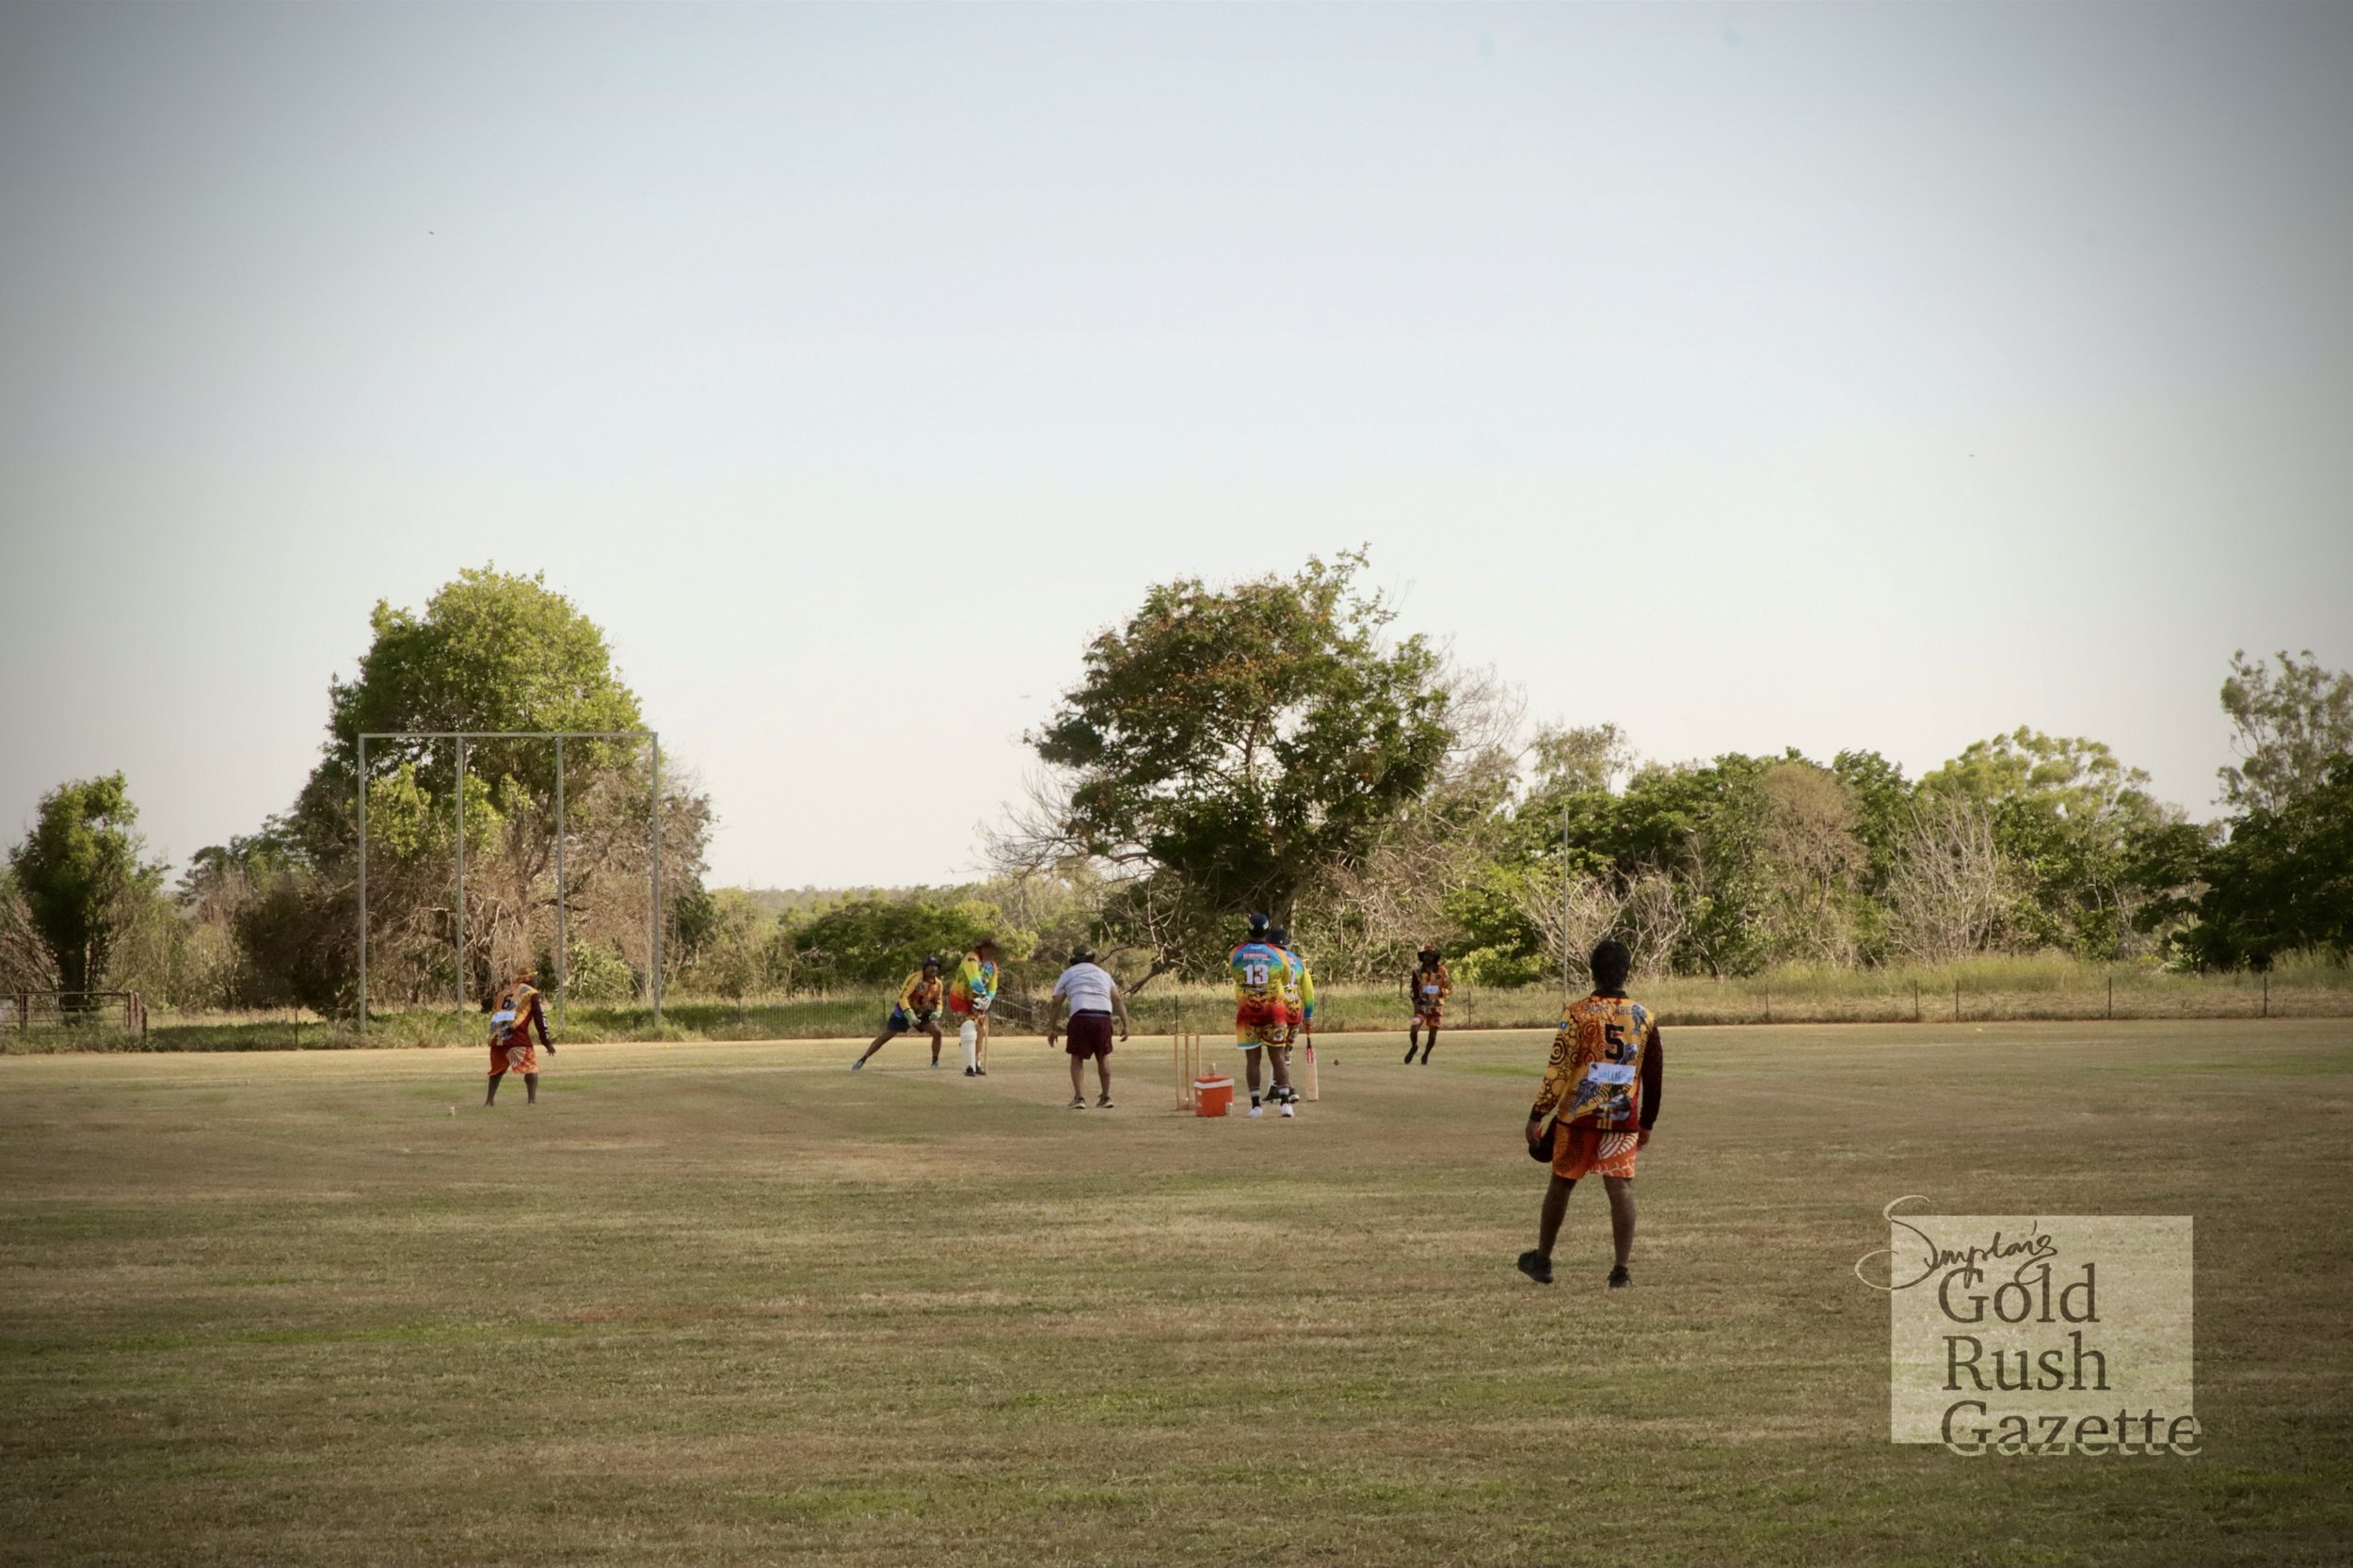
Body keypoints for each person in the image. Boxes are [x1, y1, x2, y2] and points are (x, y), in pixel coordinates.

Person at [1516, 938, 1663, 1288]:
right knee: (1620, 1189)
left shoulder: (1577, 1013)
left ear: (1592, 972)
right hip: (1622, 1117)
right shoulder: (1644, 1017)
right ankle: (1621, 1270)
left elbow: (1559, 1069)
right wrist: (1647, 1122)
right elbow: (1654, 1074)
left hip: (1578, 1116)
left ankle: (1543, 1259)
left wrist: (1538, 1113)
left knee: (1561, 1184)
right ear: (1626, 972)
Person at [1044, 944, 1129, 1109]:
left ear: (1073, 960)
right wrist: (1126, 1025)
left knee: (1077, 1057)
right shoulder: (1103, 974)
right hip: (1103, 1016)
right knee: (1102, 1055)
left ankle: (1079, 1098)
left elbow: (1056, 1002)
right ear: (1092, 958)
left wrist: (1052, 1027)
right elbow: (1117, 999)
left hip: (1081, 1015)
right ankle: (1106, 1097)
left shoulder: (1068, 973)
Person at [1227, 914, 1294, 1118]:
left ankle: (1256, 1106)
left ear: (1249, 930)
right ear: (1267, 932)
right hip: (1274, 1012)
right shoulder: (1277, 954)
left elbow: (1235, 975)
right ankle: (1285, 1103)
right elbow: (1284, 978)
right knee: (1278, 1057)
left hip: (1248, 1012)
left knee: (1252, 1059)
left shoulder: (1236, 953)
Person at [853, 955, 947, 1070]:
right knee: (886, 1036)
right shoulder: (914, 978)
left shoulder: (938, 984)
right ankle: (862, 1059)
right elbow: (903, 997)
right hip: (904, 1011)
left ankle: (935, 1062)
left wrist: (938, 1011)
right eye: (931, 966)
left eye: (936, 966)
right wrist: (909, 1013)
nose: (933, 969)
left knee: (937, 1032)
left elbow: (938, 1001)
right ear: (925, 967)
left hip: (921, 1012)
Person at [484, 968, 554, 1107]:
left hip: (497, 1037)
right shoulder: (531, 993)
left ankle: (489, 1101)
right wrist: (546, 1042)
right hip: (517, 1037)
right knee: (531, 1068)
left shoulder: (503, 993)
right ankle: (531, 1101)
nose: (536, 980)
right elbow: (540, 1018)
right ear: (528, 978)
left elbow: (494, 1014)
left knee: (497, 1071)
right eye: (534, 977)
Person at [1267, 927, 1312, 1118]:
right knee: (1286, 1051)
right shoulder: (1298, 961)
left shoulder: (1271, 959)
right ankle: (1275, 1088)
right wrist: (1308, 1014)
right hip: (1296, 1010)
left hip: (1278, 1010)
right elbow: (1308, 989)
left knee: (1275, 1051)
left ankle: (1287, 1089)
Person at [947, 937, 1001, 1076]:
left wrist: (989, 998)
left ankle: (976, 1062)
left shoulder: (992, 967)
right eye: (989, 949)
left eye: (993, 951)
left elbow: (993, 986)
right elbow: (974, 979)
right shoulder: (971, 958)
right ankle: (968, 1066)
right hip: (959, 997)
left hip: (977, 1000)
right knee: (968, 1027)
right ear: (982, 948)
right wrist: (983, 996)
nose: (991, 953)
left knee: (980, 1031)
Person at [1406, 944, 1451, 1064]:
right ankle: (1414, 1046)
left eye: (1430, 956)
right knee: (1414, 1029)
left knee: (1432, 1035)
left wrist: (1440, 991)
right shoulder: (1417, 971)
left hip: (1436, 1006)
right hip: (1421, 1005)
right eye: (1425, 955)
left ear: (1435, 957)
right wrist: (1415, 1001)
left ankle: (1426, 1055)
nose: (1427, 958)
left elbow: (1449, 988)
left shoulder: (1442, 971)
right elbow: (1413, 988)